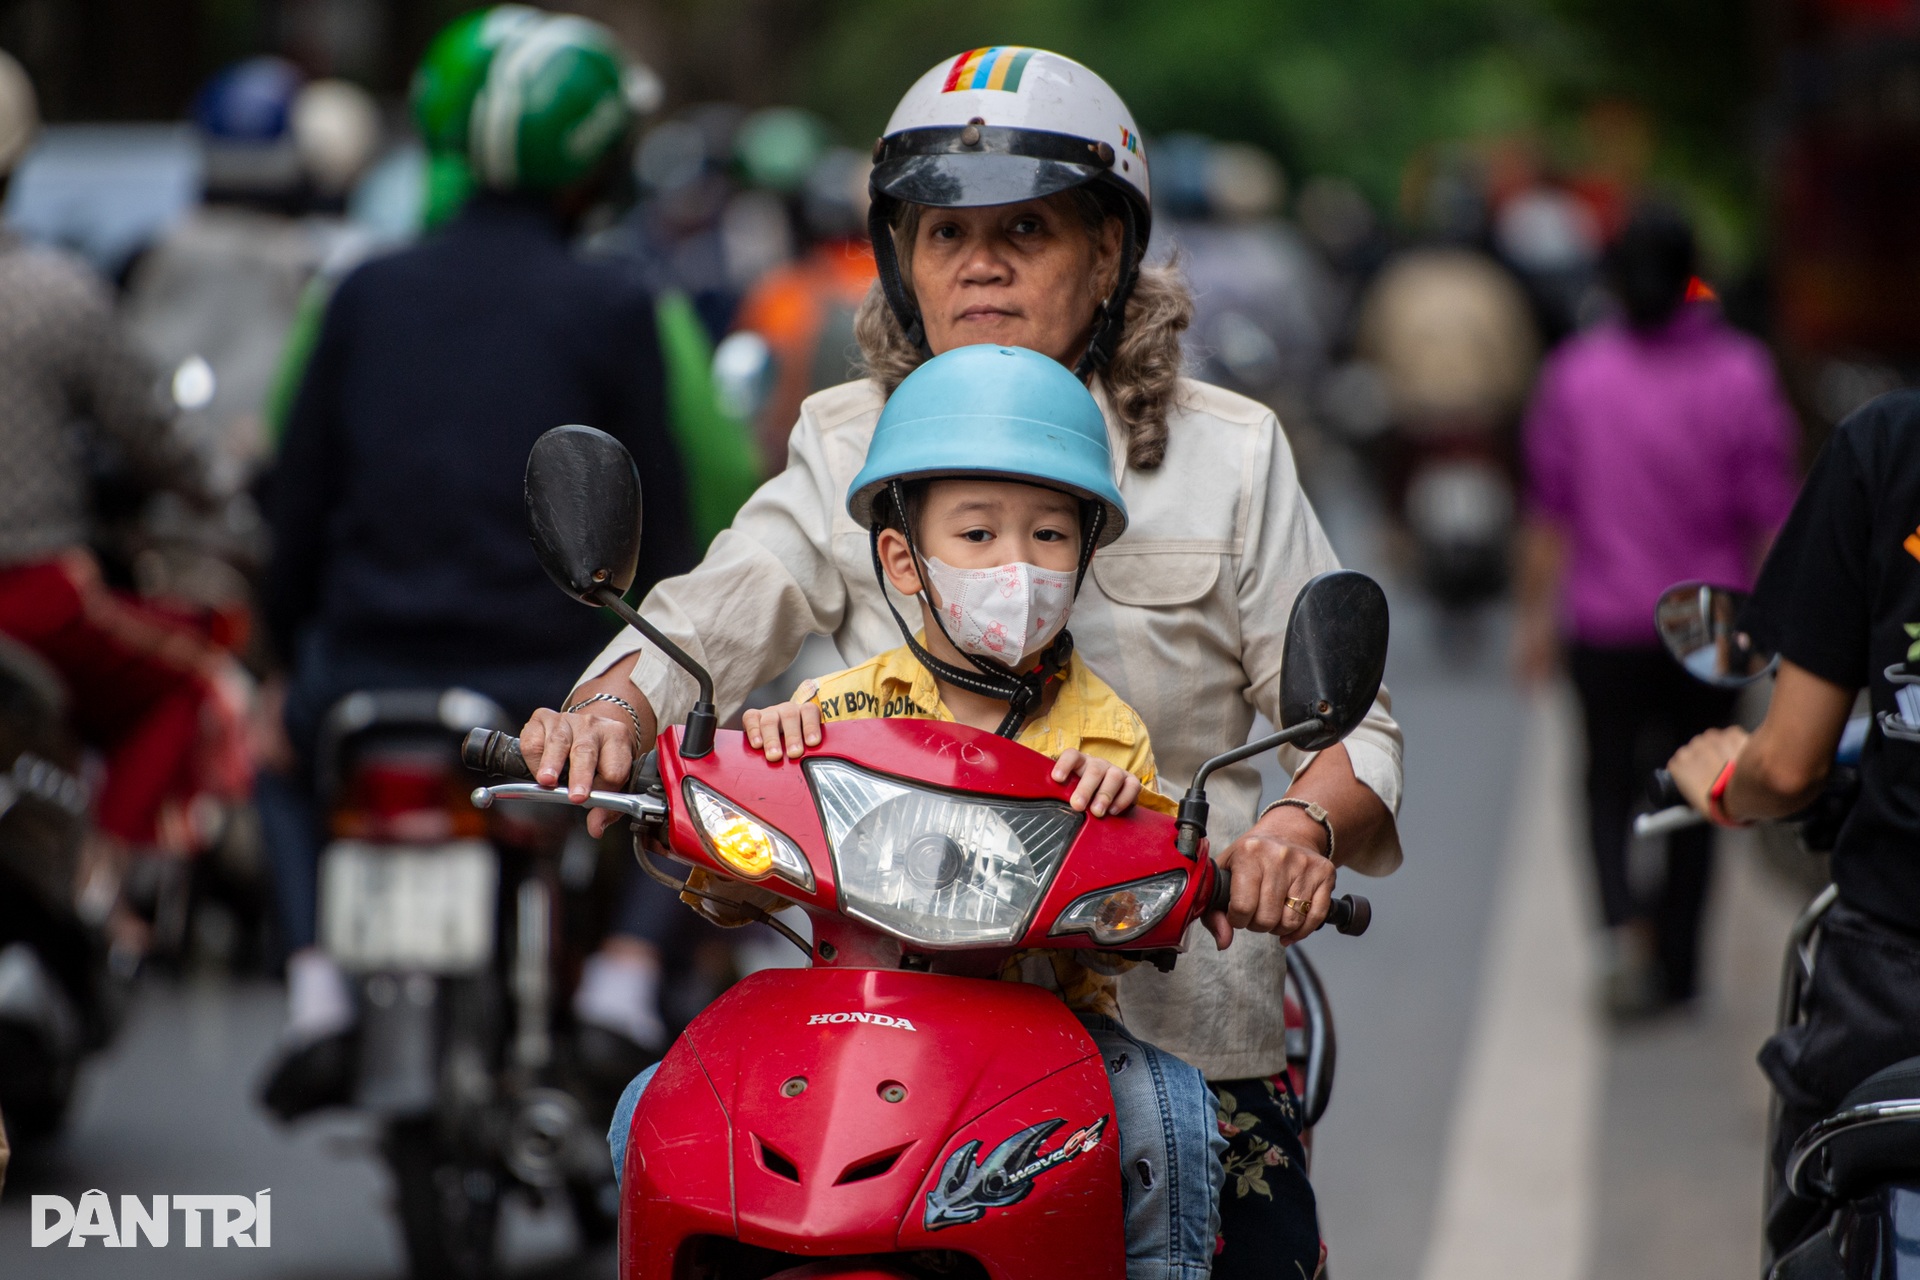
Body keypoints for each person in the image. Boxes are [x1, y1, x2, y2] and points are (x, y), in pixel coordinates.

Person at [520, 47, 1405, 1277]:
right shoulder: (847, 438)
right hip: (880, 1020)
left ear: (1106, 253)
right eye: (944, 232)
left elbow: (1355, 733)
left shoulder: (1232, 453)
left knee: (1235, 1210)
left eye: (1025, 229)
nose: (979, 264)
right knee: (667, 1142)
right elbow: (726, 600)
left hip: (1174, 1015)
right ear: (900, 255)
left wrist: (1292, 837)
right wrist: (608, 705)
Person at [611, 344, 1228, 1280]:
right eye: (978, 536)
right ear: (902, 556)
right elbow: (730, 891)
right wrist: (756, 769)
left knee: (1169, 1113)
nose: (1018, 565)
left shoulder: (1106, 739)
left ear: (1086, 550)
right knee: (646, 1111)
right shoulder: (833, 712)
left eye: (1051, 536)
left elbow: (1130, 914)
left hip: (1042, 1033)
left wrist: (1125, 816)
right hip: (839, 1021)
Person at [256, 14, 696, 1117]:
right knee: (705, 759)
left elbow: (295, 506)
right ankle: (622, 983)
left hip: (361, 673)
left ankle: (314, 990)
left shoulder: (365, 289)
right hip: (546, 680)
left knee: (271, 758)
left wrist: (276, 664)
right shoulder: (613, 300)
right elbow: (668, 526)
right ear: (598, 160)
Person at [1514, 202, 1799, 1016]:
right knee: (1703, 784)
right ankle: (1677, 963)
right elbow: (1770, 516)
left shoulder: (1576, 373)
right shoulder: (1742, 373)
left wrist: (1534, 622)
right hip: (1709, 628)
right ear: (1691, 280)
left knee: (1605, 782)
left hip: (1603, 623)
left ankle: (1616, 930)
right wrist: (1791, 632)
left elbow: (1549, 513)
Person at [1664, 385, 1920, 1259]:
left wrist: (1726, 785)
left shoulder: (1889, 446)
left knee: (1820, 1226)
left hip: (1896, 984)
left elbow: (1789, 763)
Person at [0, 49, 222, 955]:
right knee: (192, 677)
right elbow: (157, 439)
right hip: (35, 595)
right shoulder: (53, 292)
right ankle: (103, 885)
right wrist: (218, 495)